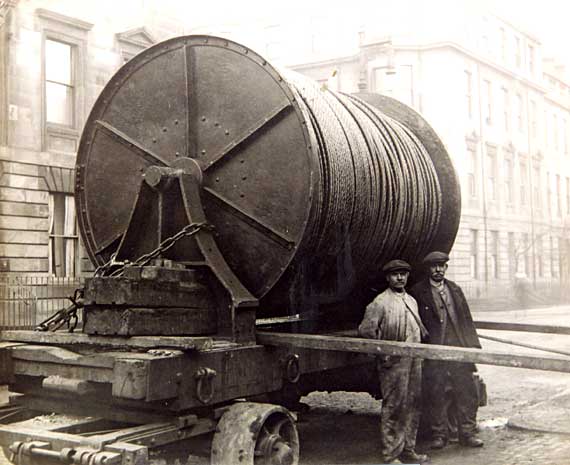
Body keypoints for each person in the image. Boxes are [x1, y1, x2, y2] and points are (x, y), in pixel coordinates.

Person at [409, 251, 484, 450]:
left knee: (466, 390)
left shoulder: (455, 290)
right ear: (428, 269)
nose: (438, 269)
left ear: (446, 268)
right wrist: (422, 351)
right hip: (434, 352)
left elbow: (467, 321)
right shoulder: (418, 292)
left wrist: (473, 347)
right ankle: (438, 434)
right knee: (435, 392)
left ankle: (467, 433)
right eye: (434, 266)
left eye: (442, 266)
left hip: (459, 349)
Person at [359, 259, 429, 464]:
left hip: (414, 361)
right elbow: (366, 331)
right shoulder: (380, 302)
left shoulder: (411, 300)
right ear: (388, 278)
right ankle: (391, 455)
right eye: (395, 274)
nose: (400, 278)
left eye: (404, 274)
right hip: (393, 363)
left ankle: (409, 449)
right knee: (394, 407)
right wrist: (384, 353)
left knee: (413, 404)